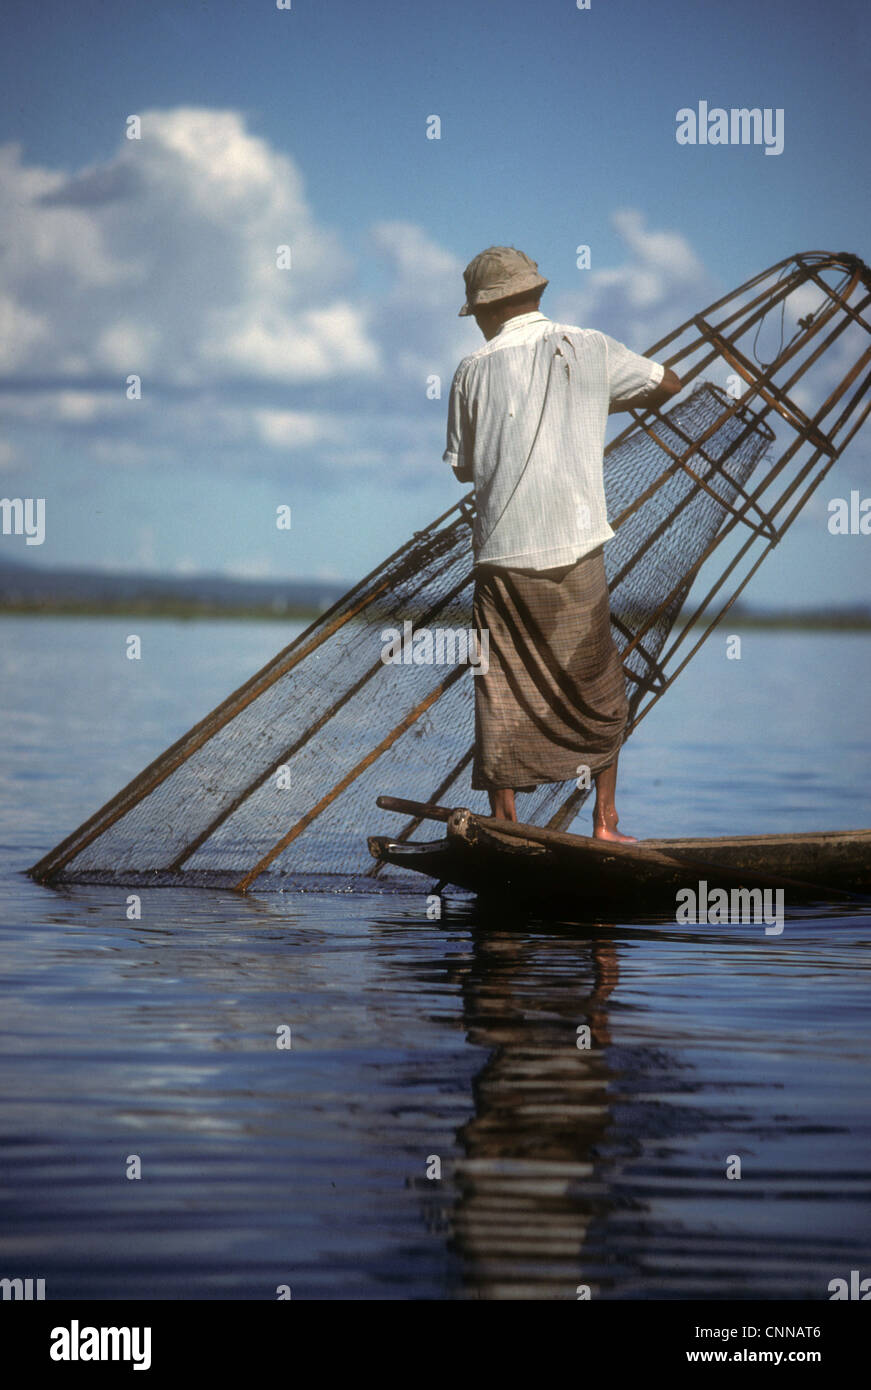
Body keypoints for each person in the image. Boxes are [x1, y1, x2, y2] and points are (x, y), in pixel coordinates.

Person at [444, 245, 681, 839]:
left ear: (485, 309)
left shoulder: (472, 370)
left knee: (499, 688)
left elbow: (464, 467)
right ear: (535, 294)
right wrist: (600, 395)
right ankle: (605, 821)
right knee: (598, 683)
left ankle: (505, 823)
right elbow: (667, 382)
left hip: (501, 555)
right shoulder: (591, 347)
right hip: (577, 548)